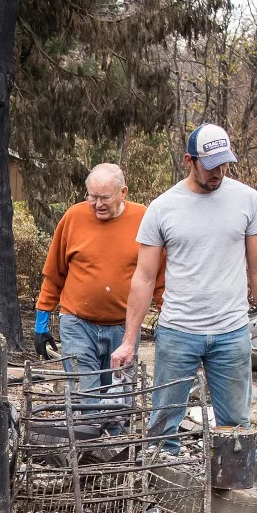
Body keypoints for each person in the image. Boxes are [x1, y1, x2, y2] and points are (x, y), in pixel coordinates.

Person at [112, 124, 257, 448]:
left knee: (235, 430)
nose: (218, 171)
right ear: (189, 160)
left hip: (231, 332)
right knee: (163, 428)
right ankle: (163, 495)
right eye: (210, 164)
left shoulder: (246, 200)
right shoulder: (163, 208)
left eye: (224, 163)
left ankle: (229, 496)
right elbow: (144, 277)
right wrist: (128, 341)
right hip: (178, 331)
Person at [32, 163, 159, 386]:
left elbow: (157, 276)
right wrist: (41, 322)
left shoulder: (143, 219)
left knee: (118, 404)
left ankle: (114, 422)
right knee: (85, 399)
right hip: (78, 324)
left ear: (123, 192)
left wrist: (166, 315)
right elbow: (55, 273)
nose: (97, 204)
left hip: (124, 328)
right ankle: (86, 422)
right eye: (92, 197)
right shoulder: (74, 217)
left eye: (105, 198)